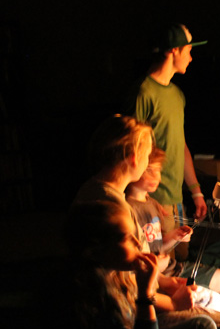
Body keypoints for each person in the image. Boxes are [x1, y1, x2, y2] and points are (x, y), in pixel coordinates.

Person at [42, 200, 220, 329]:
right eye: (125, 237)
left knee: (204, 326)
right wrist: (146, 294)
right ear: (95, 250)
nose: (136, 242)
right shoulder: (89, 299)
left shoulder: (117, 275)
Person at [72, 114, 198, 313]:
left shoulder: (92, 189)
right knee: (213, 328)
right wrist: (174, 304)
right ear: (134, 158)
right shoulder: (115, 209)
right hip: (130, 310)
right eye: (147, 156)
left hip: (140, 295)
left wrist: (164, 281)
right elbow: (127, 290)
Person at [132, 22, 208, 262]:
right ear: (173, 50)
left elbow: (180, 143)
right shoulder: (144, 93)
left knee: (182, 258)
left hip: (176, 200)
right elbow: (131, 150)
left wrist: (195, 191)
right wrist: (145, 202)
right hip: (154, 201)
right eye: (188, 50)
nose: (191, 57)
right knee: (159, 261)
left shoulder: (176, 95)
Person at [126, 146, 220, 308]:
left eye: (158, 170)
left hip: (172, 270)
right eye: (149, 171)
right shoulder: (126, 210)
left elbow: (159, 246)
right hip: (153, 281)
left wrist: (175, 236)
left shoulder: (152, 204)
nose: (156, 176)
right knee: (214, 303)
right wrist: (156, 269)